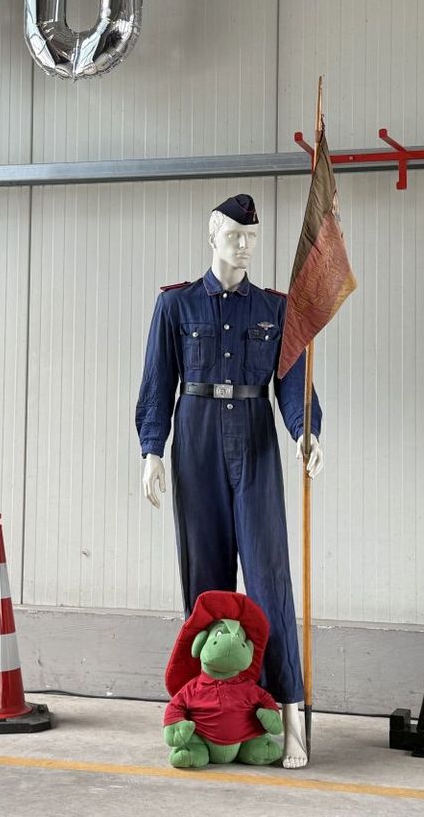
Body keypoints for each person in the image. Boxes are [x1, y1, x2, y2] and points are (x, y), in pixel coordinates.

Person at [135, 193, 323, 769]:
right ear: (212, 233)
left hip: (256, 438)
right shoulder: (175, 306)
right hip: (195, 439)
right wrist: (152, 450)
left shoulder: (275, 309)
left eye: (252, 238)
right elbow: (157, 383)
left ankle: (290, 718)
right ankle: (206, 715)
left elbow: (292, 381)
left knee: (270, 579)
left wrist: (305, 431)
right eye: (235, 235)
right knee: (205, 582)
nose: (244, 246)